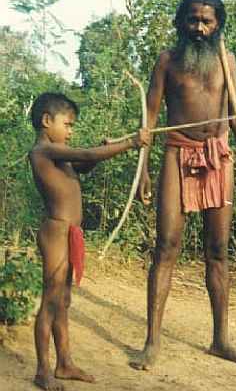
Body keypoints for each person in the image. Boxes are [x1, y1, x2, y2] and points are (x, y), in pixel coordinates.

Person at [135, 0, 236, 370]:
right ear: (180, 21)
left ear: (218, 24)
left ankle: (220, 338)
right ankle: (152, 342)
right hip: (176, 153)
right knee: (166, 245)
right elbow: (149, 120)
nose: (199, 27)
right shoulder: (167, 61)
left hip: (218, 156)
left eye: (207, 21)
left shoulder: (226, 60)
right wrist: (144, 170)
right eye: (193, 19)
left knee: (217, 250)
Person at [29, 92, 150, 391]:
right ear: (47, 121)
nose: (70, 131)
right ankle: (43, 369)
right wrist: (131, 143)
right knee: (51, 300)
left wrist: (102, 149)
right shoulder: (43, 150)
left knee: (64, 301)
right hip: (56, 231)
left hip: (70, 233)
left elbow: (84, 164)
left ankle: (65, 363)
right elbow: (85, 156)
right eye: (67, 125)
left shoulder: (59, 152)